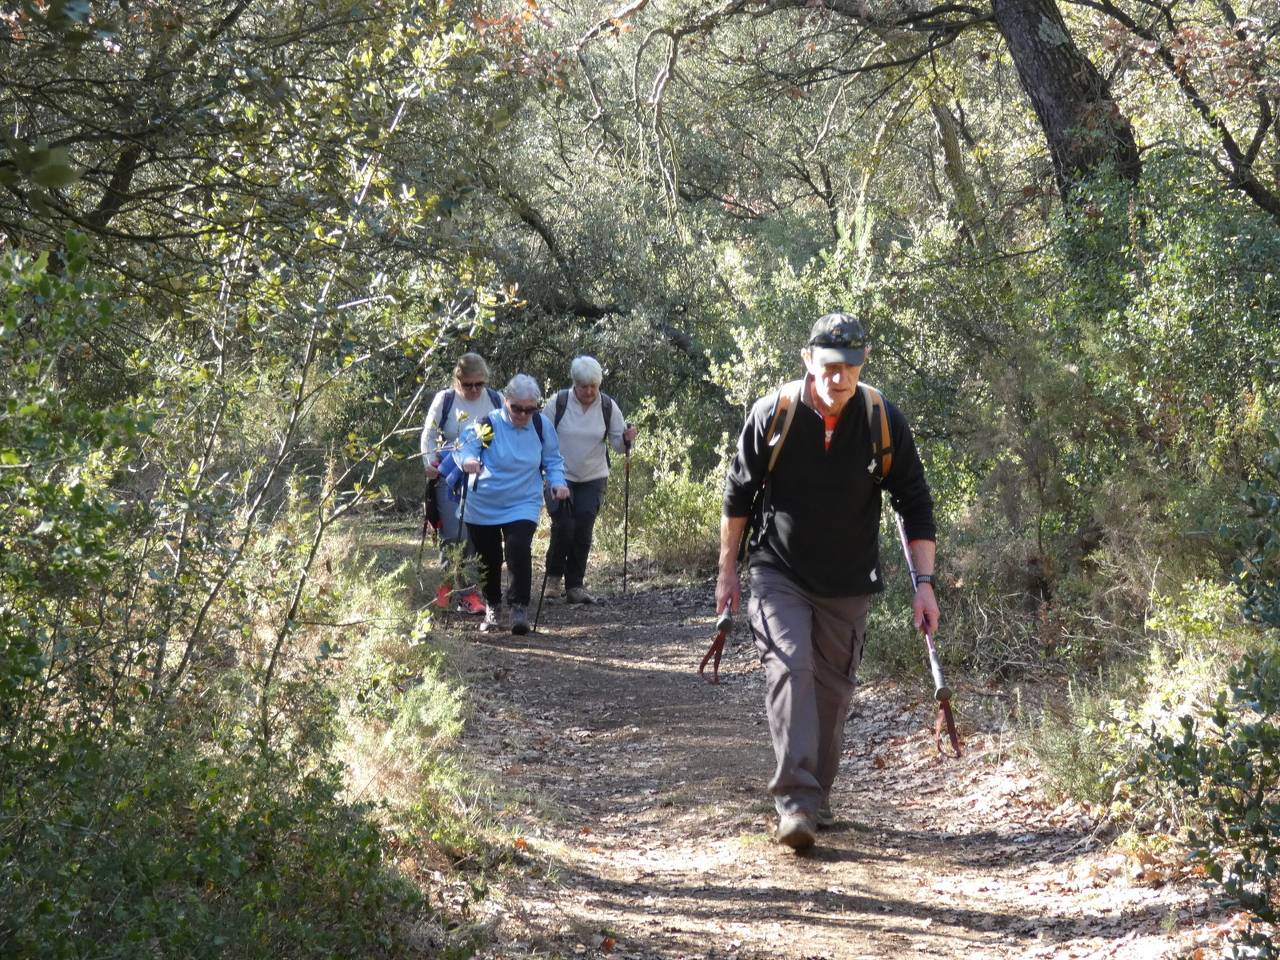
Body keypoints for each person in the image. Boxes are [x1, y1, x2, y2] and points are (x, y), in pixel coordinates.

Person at [716, 312, 939, 852]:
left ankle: (818, 793)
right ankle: (795, 802)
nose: (840, 379)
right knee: (791, 668)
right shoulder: (775, 414)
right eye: (831, 367)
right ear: (808, 360)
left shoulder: (882, 419)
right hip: (778, 570)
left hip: (847, 580)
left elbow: (914, 501)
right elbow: (738, 497)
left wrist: (925, 583)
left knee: (832, 695)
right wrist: (727, 571)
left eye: (851, 369)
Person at [457, 374, 569, 635]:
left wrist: (558, 483)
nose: (522, 414)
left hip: (523, 500)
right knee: (489, 557)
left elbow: (553, 460)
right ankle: (493, 606)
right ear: (505, 401)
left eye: (530, 409)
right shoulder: (488, 423)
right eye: (516, 408)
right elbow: (466, 448)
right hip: (484, 501)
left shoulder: (541, 426)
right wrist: (468, 461)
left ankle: (519, 606)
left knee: (518, 548)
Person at [544, 356, 639, 604]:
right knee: (564, 525)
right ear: (574, 384)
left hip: (593, 476)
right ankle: (553, 579)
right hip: (559, 475)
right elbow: (542, 434)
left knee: (584, 526)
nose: (588, 391)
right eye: (583, 386)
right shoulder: (559, 402)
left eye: (593, 386)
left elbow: (618, 445)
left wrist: (628, 438)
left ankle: (574, 585)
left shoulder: (607, 406)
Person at [420, 353, 503, 614]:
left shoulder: (496, 400)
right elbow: (429, 434)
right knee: (455, 533)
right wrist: (429, 463)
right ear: (458, 381)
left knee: (479, 535)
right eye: (468, 385)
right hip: (449, 474)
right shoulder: (445, 400)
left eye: (480, 384)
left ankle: (466, 589)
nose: (475, 389)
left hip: (485, 477)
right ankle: (460, 590)